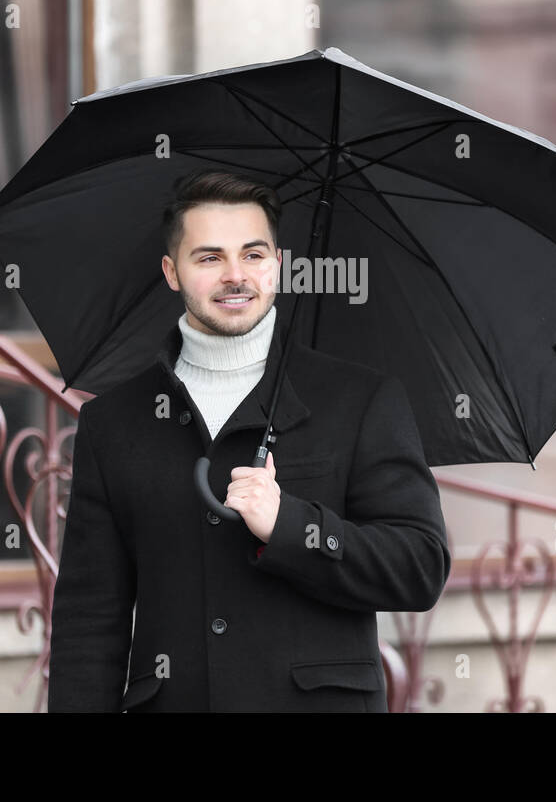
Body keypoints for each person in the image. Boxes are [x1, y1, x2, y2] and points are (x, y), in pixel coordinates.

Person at [48, 169, 451, 712]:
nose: (236, 275)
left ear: (278, 265)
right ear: (172, 271)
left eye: (254, 254)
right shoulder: (113, 423)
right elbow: (90, 618)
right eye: (209, 258)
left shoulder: (361, 400)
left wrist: (291, 526)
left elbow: (418, 568)